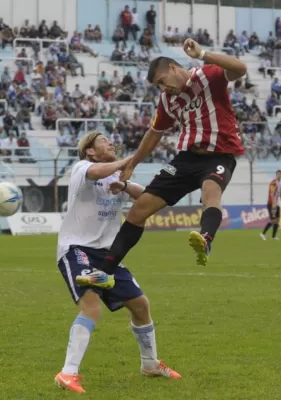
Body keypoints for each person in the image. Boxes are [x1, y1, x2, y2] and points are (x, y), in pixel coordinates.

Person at [86, 38, 246, 283]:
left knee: (210, 190)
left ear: (173, 68)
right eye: (158, 86)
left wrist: (203, 53)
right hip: (185, 160)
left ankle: (205, 239)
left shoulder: (207, 76)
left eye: (162, 82)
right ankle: (105, 272)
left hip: (219, 155)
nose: (163, 89)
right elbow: (154, 134)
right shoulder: (167, 101)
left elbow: (240, 68)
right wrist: (133, 163)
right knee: (139, 209)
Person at [54, 131, 181, 393]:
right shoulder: (82, 168)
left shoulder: (115, 176)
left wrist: (123, 184)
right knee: (91, 306)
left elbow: (145, 196)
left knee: (141, 305)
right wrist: (130, 160)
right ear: (90, 150)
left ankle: (150, 364)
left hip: (108, 254)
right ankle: (67, 373)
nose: (111, 142)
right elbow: (98, 172)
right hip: (78, 249)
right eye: (103, 141)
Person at [260, 170, 281, 240]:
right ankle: (263, 233)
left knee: (278, 220)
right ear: (276, 175)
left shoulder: (280, 185)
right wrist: (273, 204)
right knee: (274, 220)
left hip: (277, 204)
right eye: (278, 174)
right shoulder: (273, 183)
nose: (280, 175)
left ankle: (274, 236)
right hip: (271, 204)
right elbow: (272, 194)